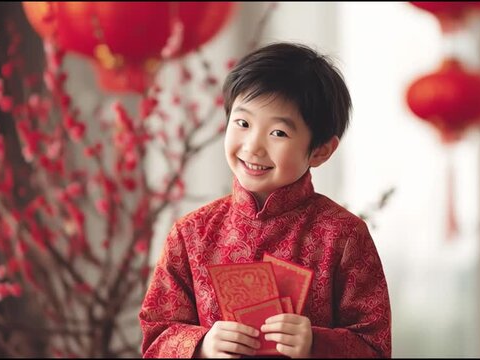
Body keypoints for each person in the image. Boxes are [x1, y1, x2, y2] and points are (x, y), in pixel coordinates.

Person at [139, 42, 391, 358]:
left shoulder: (343, 235)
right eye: (243, 123)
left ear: (321, 150)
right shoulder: (190, 234)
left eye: (279, 133)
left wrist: (316, 344)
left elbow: (375, 346)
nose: (253, 146)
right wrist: (201, 347)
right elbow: (155, 337)